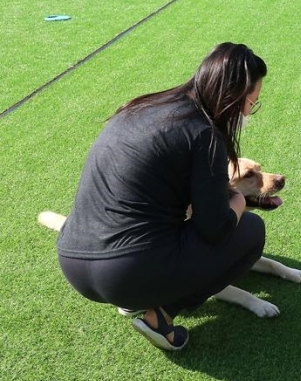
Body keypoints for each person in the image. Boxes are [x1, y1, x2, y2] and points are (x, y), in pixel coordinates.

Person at [56, 42, 268, 351]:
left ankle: (135, 297)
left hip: (72, 259)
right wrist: (236, 201)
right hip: (124, 273)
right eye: (253, 103)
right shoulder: (204, 133)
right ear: (235, 98)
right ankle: (162, 316)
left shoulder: (142, 106)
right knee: (250, 230)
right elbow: (215, 228)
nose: (249, 112)